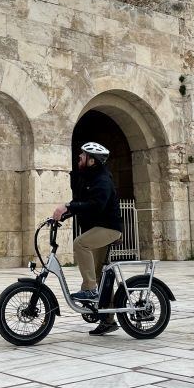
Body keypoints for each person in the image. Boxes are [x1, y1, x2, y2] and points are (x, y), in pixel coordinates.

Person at [52, 141, 122, 336]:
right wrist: (61, 214)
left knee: (80, 243)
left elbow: (96, 205)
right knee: (100, 275)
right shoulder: (86, 177)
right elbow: (79, 203)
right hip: (97, 228)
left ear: (92, 160)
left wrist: (69, 207)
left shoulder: (102, 179)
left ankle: (90, 290)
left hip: (109, 228)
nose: (79, 157)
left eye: (83, 155)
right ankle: (108, 320)